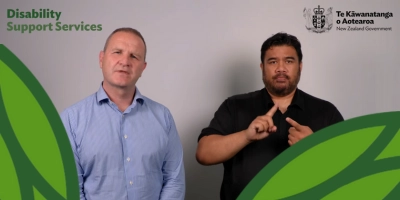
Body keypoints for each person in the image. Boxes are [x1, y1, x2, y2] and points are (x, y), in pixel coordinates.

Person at [196, 32, 344, 200]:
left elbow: (350, 170)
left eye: (289, 61)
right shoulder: (234, 106)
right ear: (262, 67)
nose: (281, 68)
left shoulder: (326, 112)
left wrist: (315, 151)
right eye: (273, 61)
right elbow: (203, 154)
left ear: (300, 66)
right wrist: (246, 136)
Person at [60, 27, 185, 200]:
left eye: (134, 56)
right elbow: (70, 187)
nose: (125, 61)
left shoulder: (163, 117)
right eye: (117, 52)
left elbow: (174, 180)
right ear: (101, 59)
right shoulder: (71, 119)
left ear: (143, 67)